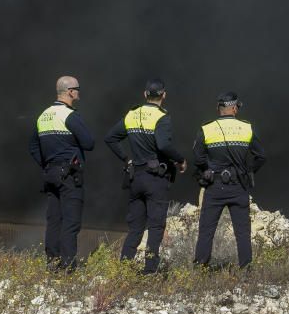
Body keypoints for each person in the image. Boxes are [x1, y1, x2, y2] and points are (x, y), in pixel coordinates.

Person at [104, 78, 187, 273]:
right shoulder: (162, 117)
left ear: (145, 94)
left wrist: (126, 159)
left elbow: (110, 138)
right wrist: (180, 160)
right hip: (155, 179)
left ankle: (123, 269)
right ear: (164, 95)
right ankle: (149, 272)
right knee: (156, 227)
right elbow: (164, 145)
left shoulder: (131, 114)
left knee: (135, 228)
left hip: (136, 178)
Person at [192, 91, 266, 269]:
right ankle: (247, 270)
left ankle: (200, 270)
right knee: (242, 232)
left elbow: (197, 158)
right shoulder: (246, 128)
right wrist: (249, 171)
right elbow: (261, 156)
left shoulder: (207, 128)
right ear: (234, 108)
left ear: (219, 108)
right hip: (238, 185)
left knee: (207, 231)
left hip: (214, 187)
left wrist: (206, 170)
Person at [29, 76, 94, 271]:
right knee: (71, 221)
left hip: (50, 174)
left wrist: (47, 165)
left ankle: (52, 263)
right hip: (69, 175)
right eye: (77, 89)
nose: (79, 92)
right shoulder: (70, 116)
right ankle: (68, 265)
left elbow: (33, 147)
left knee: (54, 220)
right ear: (70, 92)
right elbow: (89, 143)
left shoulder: (43, 115)